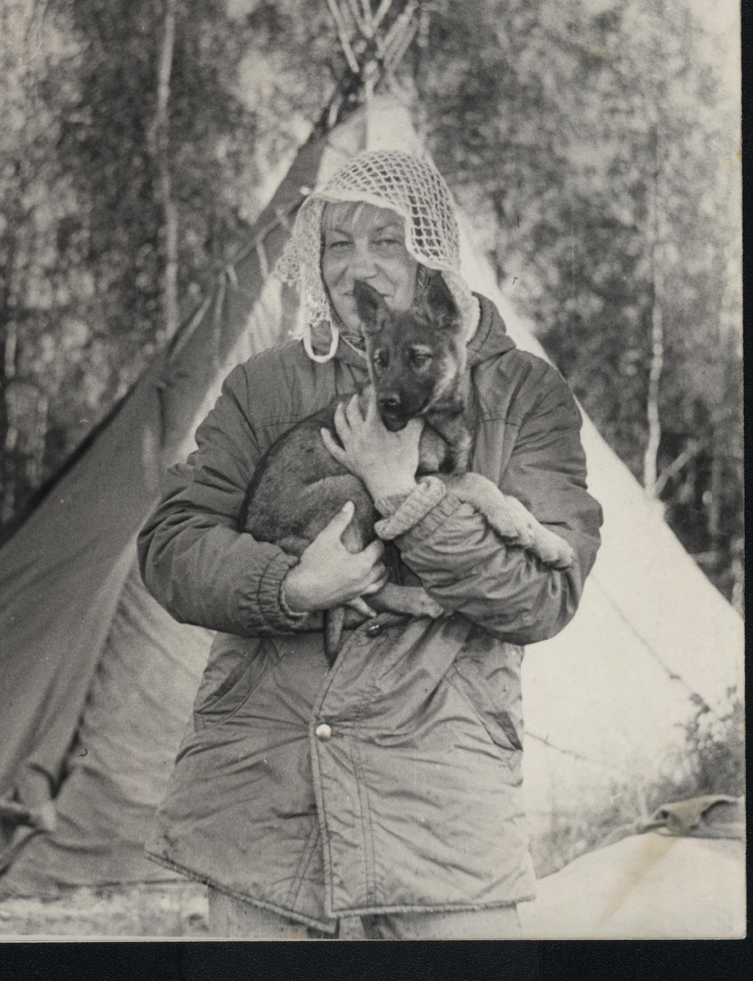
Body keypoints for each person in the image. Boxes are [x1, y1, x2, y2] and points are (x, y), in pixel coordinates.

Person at [138, 149, 602, 939]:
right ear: (313, 264)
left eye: (387, 241)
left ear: (432, 251)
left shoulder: (524, 393)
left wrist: (402, 497)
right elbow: (171, 546)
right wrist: (288, 587)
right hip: (265, 794)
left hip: (437, 802)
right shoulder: (265, 384)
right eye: (337, 244)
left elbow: (544, 595)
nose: (363, 268)